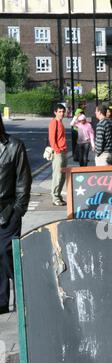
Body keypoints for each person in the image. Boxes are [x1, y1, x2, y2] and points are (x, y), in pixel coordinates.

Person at [0, 112, 32, 314]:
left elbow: (23, 180)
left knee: (6, 252)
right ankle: (2, 302)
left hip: (8, 209)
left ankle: (25, 291)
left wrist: (18, 210)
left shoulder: (14, 146)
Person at [49, 103, 67, 206]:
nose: (62, 113)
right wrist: (57, 150)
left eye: (63, 111)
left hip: (63, 151)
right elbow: (52, 139)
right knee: (57, 175)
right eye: (59, 111)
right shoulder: (54, 123)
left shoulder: (61, 123)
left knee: (62, 176)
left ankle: (58, 195)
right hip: (58, 153)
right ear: (55, 112)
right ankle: (55, 197)